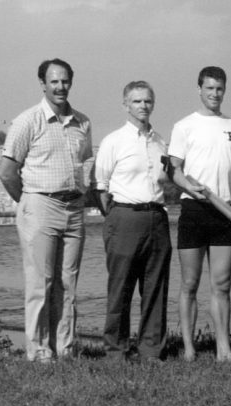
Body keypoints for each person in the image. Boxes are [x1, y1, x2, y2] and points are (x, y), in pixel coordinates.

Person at [0, 59, 92, 362]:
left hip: (74, 209)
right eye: (54, 81)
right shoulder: (27, 121)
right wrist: (28, 202)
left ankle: (64, 349)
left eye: (65, 81)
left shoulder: (83, 123)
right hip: (40, 205)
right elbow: (8, 172)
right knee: (41, 283)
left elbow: (85, 164)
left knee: (68, 283)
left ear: (71, 83)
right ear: (43, 84)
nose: (60, 87)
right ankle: (39, 352)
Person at [168, 66, 231, 362]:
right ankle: (189, 349)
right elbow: (173, 170)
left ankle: (223, 349)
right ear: (199, 89)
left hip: (225, 211)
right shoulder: (184, 126)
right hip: (194, 209)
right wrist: (188, 186)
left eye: (219, 89)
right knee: (189, 284)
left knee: (222, 285)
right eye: (209, 88)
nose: (215, 94)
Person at [94, 81, 173, 361]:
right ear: (126, 105)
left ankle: (151, 350)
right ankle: (116, 350)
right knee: (121, 288)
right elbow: (101, 188)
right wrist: (117, 217)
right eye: (137, 101)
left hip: (157, 217)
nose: (143, 106)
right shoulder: (113, 141)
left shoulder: (160, 141)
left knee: (156, 287)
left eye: (147, 101)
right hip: (125, 217)